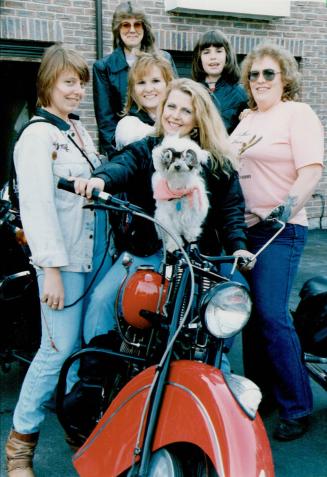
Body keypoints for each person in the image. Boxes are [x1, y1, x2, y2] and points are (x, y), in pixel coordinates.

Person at [72, 78, 255, 347]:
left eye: (185, 110)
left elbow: (231, 210)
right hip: (147, 251)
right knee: (101, 301)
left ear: (198, 118)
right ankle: (94, 377)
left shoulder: (215, 161)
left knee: (208, 326)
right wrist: (101, 180)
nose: (175, 116)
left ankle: (211, 375)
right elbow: (125, 163)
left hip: (195, 256)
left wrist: (238, 246)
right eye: (171, 107)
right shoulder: (148, 148)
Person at [5, 44, 112, 477]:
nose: (77, 90)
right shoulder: (37, 137)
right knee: (55, 350)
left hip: (90, 258)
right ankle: (19, 446)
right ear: (48, 83)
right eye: (69, 81)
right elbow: (36, 207)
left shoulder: (76, 132)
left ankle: (73, 423)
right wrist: (49, 268)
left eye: (81, 83)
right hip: (62, 263)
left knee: (79, 348)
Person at [230, 43, 324, 441]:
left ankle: (297, 405)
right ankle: (263, 394)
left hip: (280, 230)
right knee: (249, 316)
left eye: (269, 73)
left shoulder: (296, 113)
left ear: (284, 78)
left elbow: (311, 171)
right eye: (254, 74)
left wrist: (278, 214)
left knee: (271, 314)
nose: (260, 80)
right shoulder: (246, 119)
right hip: (244, 230)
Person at [93, 1, 177, 157]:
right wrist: (121, 158)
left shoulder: (164, 58)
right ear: (118, 29)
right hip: (129, 149)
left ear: (144, 27)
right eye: (125, 25)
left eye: (137, 24)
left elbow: (176, 100)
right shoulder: (103, 67)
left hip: (166, 142)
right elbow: (106, 124)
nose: (132, 30)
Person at [114, 51, 175, 150]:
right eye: (141, 82)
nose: (148, 89)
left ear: (168, 84)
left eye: (155, 81)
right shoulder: (129, 127)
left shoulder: (179, 120)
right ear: (133, 90)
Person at [192, 29, 248, 134]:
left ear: (227, 55)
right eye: (206, 52)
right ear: (199, 58)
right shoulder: (191, 91)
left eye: (219, 51)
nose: (213, 57)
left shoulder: (241, 94)